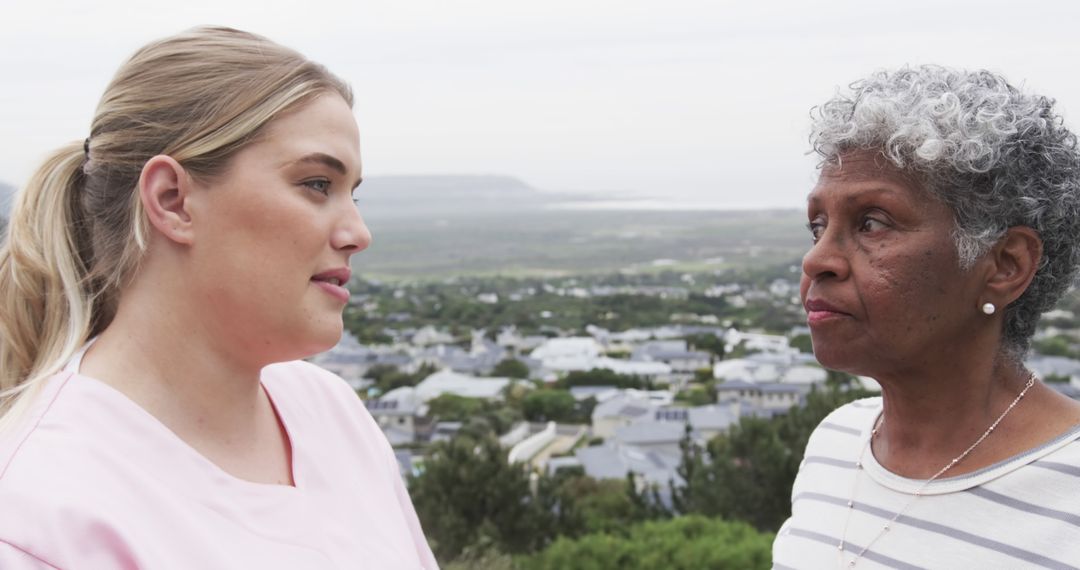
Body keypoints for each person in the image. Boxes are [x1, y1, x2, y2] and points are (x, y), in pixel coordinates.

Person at [0, 27, 438, 569]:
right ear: (173, 200)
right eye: (318, 184)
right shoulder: (39, 518)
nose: (357, 233)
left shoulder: (330, 412)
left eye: (353, 192)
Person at [772, 65, 1080, 568]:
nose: (816, 260)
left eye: (872, 223)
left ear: (1006, 264)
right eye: (818, 226)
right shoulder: (838, 442)